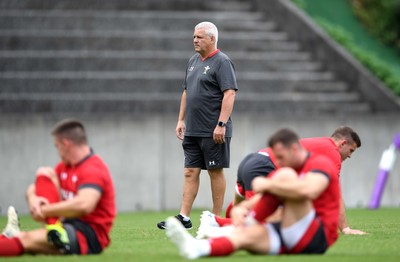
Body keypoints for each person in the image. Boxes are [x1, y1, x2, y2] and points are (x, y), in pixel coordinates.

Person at [165, 128, 341, 258]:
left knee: (283, 176)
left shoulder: (320, 163)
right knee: (243, 238)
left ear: (295, 149)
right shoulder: (290, 168)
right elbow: (270, 196)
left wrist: (268, 184)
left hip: (317, 236)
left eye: (280, 157)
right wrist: (244, 207)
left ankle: (239, 223)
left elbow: (309, 190)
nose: (278, 162)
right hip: (292, 237)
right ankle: (198, 247)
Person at [198, 126, 367, 236]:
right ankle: (214, 222)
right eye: (351, 150)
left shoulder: (321, 145)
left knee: (242, 207)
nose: (350, 155)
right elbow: (334, 194)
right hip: (264, 166)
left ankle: (219, 226)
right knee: (268, 221)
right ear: (343, 143)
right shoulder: (333, 153)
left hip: (253, 160)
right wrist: (345, 228)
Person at [157, 21, 238, 230]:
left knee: (215, 171)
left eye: (200, 37)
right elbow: (186, 91)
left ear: (212, 39)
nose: (195, 40)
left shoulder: (222, 62)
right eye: (194, 36)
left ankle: (216, 218)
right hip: (193, 129)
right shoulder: (193, 61)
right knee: (190, 172)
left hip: (214, 130)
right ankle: (184, 217)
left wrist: (221, 124)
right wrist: (180, 120)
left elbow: (229, 93)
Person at [0, 119, 116, 256]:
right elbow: (33, 187)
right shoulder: (65, 167)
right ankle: (52, 229)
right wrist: (33, 199)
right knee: (44, 172)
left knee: (26, 239)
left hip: (86, 235)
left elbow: (84, 205)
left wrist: (44, 210)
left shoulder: (93, 168)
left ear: (65, 144)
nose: (58, 151)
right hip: (65, 225)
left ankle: (50, 231)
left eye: (57, 146)